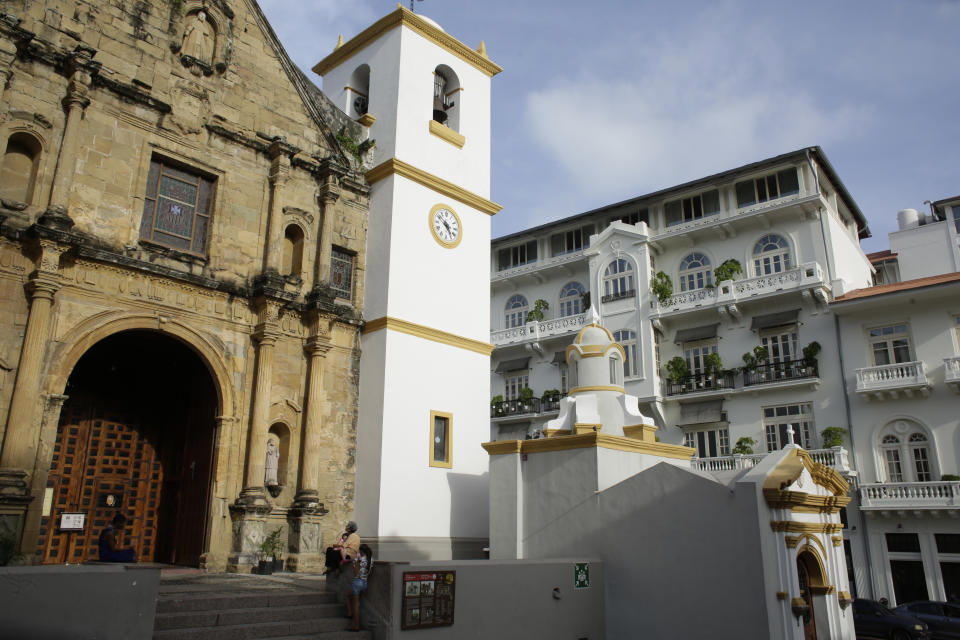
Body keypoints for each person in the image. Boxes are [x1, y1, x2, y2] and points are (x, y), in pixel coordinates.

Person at [344, 544, 373, 632]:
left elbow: (356, 573)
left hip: (357, 582)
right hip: (365, 583)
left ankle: (356, 626)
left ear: (361, 551)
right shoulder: (371, 559)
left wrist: (356, 561)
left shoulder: (359, 560)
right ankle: (349, 613)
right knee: (348, 595)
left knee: (356, 605)